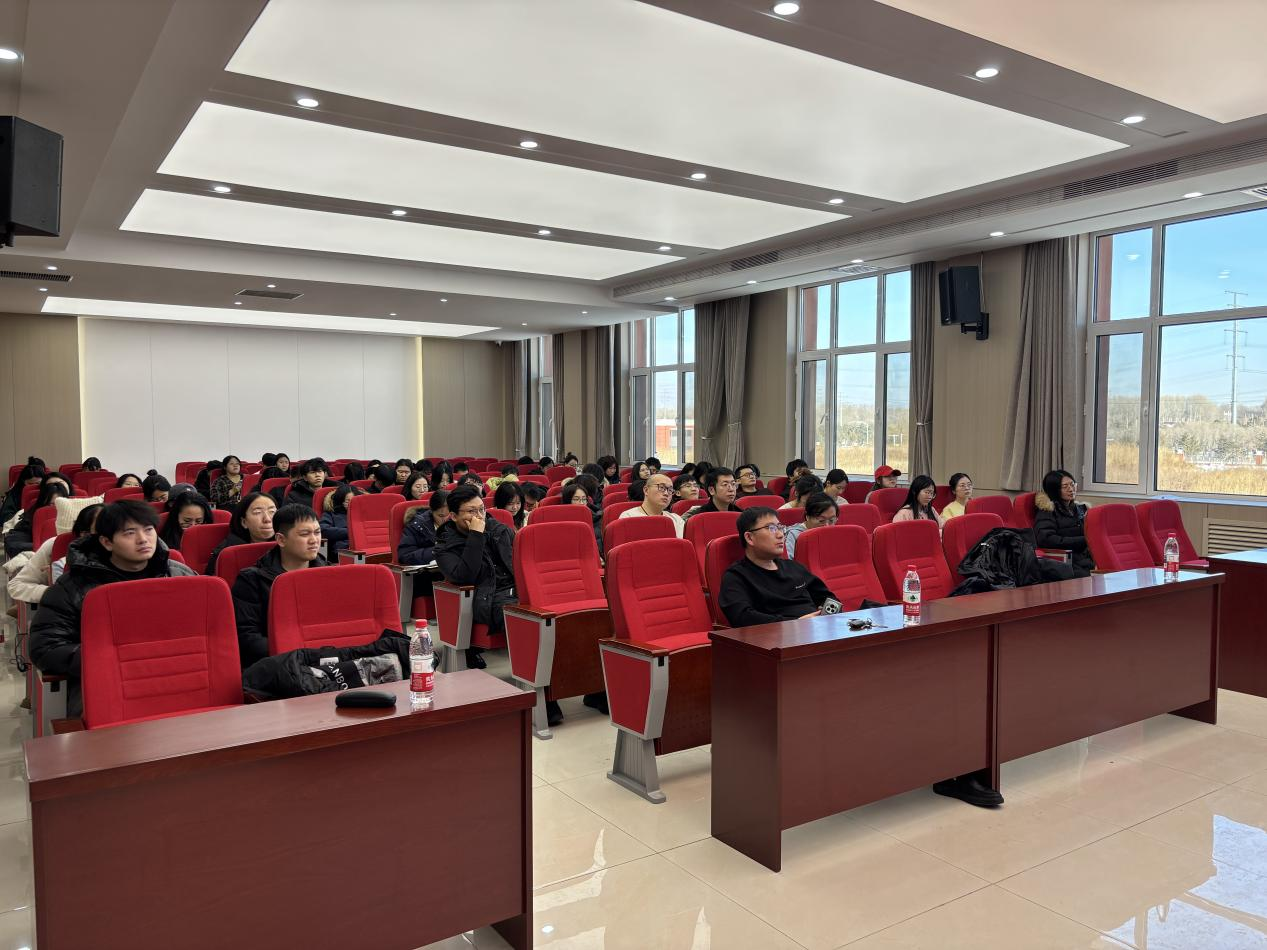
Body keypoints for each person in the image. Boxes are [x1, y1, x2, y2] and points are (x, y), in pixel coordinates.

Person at [29, 499, 196, 718]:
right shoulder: (74, 586)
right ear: (107, 542)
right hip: (105, 680)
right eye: (129, 533)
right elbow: (45, 647)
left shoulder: (179, 575)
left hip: (175, 674)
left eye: (148, 529)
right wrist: (113, 658)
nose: (143, 539)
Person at [231, 503, 327, 670]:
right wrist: (296, 656)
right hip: (279, 664)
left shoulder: (327, 573)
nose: (314, 540)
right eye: (305, 534)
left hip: (325, 659)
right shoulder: (252, 580)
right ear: (281, 539)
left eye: (317, 532)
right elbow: (247, 636)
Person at [434, 485, 516, 671]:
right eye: (471, 511)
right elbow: (465, 576)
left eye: (482, 509)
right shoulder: (445, 545)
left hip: (514, 588)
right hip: (487, 597)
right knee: (525, 618)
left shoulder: (499, 530)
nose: (479, 516)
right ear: (453, 516)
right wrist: (476, 535)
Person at [717, 506, 834, 627]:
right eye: (771, 528)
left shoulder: (794, 567)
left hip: (820, 629)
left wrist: (828, 613)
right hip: (779, 636)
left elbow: (827, 598)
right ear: (749, 538)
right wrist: (796, 624)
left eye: (780, 527)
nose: (780, 535)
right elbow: (742, 618)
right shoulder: (736, 576)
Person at [8, 503, 103, 606]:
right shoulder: (55, 546)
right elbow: (16, 585)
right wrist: (55, 592)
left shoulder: (115, 552)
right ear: (84, 534)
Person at [1034, 470, 1094, 574]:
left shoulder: (1081, 509)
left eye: (1072, 484)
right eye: (1065, 486)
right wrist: (1085, 540)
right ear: (1054, 490)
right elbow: (1047, 540)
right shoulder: (1047, 511)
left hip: (1086, 557)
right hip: (1065, 561)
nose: (1071, 489)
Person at [205, 491, 277, 576]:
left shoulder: (285, 545)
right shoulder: (228, 554)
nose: (267, 519)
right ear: (244, 522)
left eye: (272, 511)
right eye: (257, 512)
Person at [4, 474, 71, 557]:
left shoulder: (74, 512)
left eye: (60, 504)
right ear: (44, 503)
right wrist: (44, 548)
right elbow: (14, 543)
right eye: (52, 504)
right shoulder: (33, 515)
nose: (56, 508)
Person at [617, 473, 685, 537]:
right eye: (661, 487)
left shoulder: (676, 519)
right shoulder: (629, 516)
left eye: (670, 490)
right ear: (646, 490)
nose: (666, 493)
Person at [783, 492, 839, 559]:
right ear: (807, 517)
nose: (827, 526)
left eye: (831, 520)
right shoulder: (794, 535)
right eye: (821, 520)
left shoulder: (835, 532)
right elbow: (788, 562)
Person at [319, 483, 365, 554]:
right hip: (344, 551)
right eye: (348, 501)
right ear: (341, 501)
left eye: (354, 500)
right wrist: (352, 532)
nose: (352, 504)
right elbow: (323, 530)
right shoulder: (330, 514)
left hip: (365, 547)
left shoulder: (364, 514)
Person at [0, 457, 46, 525]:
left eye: (38, 483)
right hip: (21, 525)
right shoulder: (15, 493)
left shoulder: (48, 490)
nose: (34, 486)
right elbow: (5, 517)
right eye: (30, 484)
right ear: (23, 481)